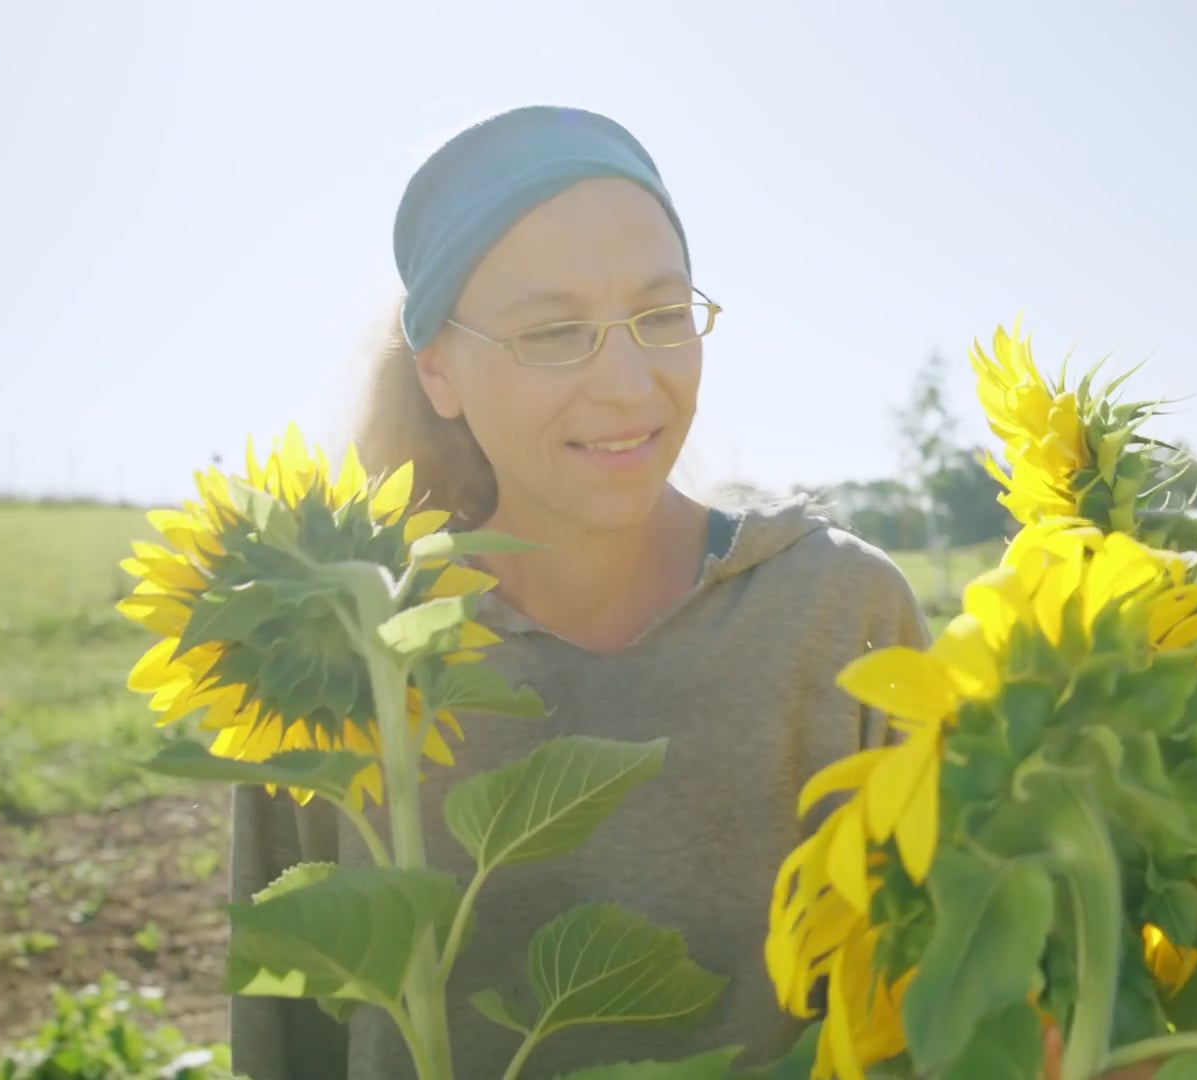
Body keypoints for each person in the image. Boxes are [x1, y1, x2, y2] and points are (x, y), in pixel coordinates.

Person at [227, 105, 930, 1078]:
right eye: (554, 333)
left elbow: (930, 994)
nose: (630, 385)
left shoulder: (838, 615)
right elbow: (288, 1034)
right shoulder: (345, 658)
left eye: (663, 314)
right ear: (439, 371)